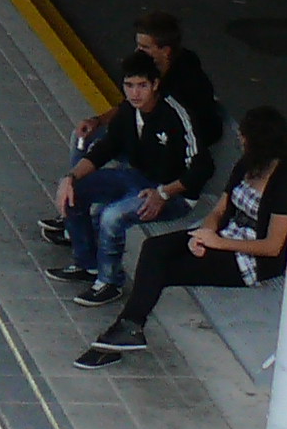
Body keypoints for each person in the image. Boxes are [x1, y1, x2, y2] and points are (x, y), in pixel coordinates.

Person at [76, 109, 287, 366]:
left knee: (164, 271)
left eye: (244, 138)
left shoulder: (285, 183)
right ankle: (128, 328)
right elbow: (220, 209)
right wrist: (206, 234)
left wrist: (217, 243)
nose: (240, 142)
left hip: (249, 260)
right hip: (223, 236)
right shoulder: (247, 165)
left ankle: (127, 328)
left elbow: (273, 247)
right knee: (154, 248)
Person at [45, 60, 217, 301]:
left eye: (142, 86)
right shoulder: (128, 111)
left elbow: (203, 168)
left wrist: (164, 194)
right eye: (129, 85)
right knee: (75, 192)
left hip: (173, 194)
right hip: (138, 178)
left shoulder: (176, 115)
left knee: (112, 216)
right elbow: (106, 148)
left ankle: (110, 282)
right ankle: (87, 265)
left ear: (155, 85)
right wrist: (70, 178)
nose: (135, 93)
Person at [133, 9, 218, 150]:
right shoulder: (148, 68)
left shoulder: (185, 84)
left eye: (145, 47)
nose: (138, 51)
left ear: (165, 51)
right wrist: (98, 121)